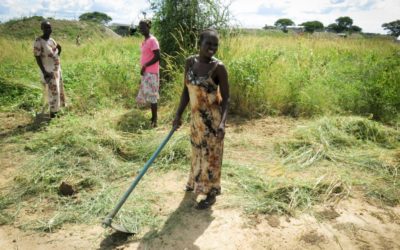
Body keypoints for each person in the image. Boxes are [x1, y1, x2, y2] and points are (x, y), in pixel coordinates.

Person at [172, 29, 229, 209]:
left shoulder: (218, 68)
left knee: (211, 157)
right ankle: (195, 183)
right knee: (197, 153)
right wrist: (178, 115)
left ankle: (211, 193)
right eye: (208, 44)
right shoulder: (190, 62)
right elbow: (186, 91)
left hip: (212, 122)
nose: (212, 48)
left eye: (215, 45)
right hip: (196, 120)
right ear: (200, 44)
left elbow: (227, 99)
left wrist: (222, 124)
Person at [34, 20, 66, 118]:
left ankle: (57, 110)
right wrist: (44, 72)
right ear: (42, 29)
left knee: (59, 90)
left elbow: (55, 55)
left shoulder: (52, 40)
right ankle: (53, 114)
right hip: (48, 71)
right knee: (53, 92)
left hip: (57, 70)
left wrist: (59, 50)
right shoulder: (38, 41)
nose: (48, 29)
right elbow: (37, 57)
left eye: (50, 27)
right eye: (46, 27)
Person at [135, 19, 160, 127]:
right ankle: (153, 117)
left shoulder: (152, 40)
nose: (141, 29)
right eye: (140, 27)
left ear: (149, 27)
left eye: (143, 27)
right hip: (147, 72)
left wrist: (145, 65)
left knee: (153, 96)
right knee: (149, 95)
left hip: (151, 73)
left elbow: (157, 56)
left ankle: (155, 120)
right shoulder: (145, 41)